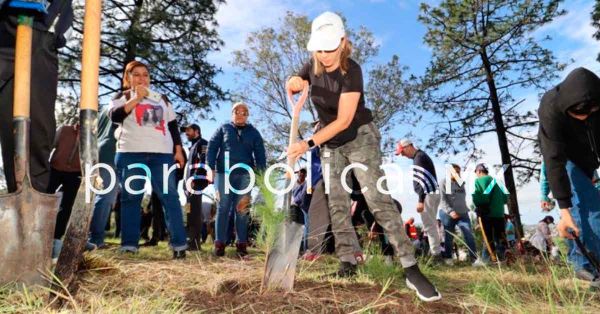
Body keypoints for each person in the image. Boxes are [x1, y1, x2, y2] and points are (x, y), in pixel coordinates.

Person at [286, 11, 440, 301]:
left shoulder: (352, 71)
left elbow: (344, 121)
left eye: (331, 48)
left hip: (359, 137)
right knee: (337, 203)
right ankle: (348, 261)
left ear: (343, 42)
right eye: (319, 49)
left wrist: (306, 144)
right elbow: (296, 77)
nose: (325, 55)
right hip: (330, 145)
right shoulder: (313, 62)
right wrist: (293, 81)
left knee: (377, 200)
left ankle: (410, 267)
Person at [109, 60, 188, 259]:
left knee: (169, 196)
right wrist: (136, 99)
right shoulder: (121, 97)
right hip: (130, 152)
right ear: (128, 78)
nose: (141, 78)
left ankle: (179, 244)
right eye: (136, 74)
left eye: (145, 74)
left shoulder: (162, 99)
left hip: (161, 154)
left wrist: (178, 150)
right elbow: (115, 117)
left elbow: (172, 126)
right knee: (131, 197)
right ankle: (129, 245)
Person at [0, 0, 73, 193]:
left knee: (35, 131)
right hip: (3, 30)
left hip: (42, 34)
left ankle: (29, 199)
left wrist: (59, 31)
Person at [538, 67, 600, 285]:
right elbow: (553, 162)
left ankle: (580, 264)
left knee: (583, 209)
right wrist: (563, 211)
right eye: (579, 115)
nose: (585, 119)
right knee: (592, 209)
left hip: (590, 159)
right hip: (566, 159)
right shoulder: (550, 107)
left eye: (591, 114)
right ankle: (589, 267)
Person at [207, 102, 266, 258]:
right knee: (223, 207)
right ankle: (219, 244)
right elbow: (212, 147)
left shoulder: (254, 133)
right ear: (232, 114)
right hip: (223, 173)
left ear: (248, 115)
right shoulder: (223, 128)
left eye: (244, 112)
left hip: (245, 175)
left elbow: (260, 155)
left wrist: (260, 174)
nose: (240, 114)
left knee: (242, 210)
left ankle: (241, 245)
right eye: (236, 111)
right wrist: (210, 168)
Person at [396, 139, 443, 260]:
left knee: (429, 225)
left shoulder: (419, 158)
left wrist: (421, 199)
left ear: (409, 146)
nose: (402, 155)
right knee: (431, 224)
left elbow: (423, 180)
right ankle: (435, 253)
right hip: (432, 193)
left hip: (427, 194)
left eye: (402, 151)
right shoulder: (421, 156)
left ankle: (436, 256)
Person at [89, 106, 120, 247]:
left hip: (98, 151)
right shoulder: (121, 107)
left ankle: (92, 236)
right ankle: (95, 239)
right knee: (105, 197)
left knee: (97, 195)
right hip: (110, 153)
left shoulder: (104, 110)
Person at [438, 164, 478, 266]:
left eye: (459, 172)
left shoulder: (461, 183)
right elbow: (442, 200)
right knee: (449, 236)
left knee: (468, 233)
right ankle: (448, 258)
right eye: (455, 172)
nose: (458, 174)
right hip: (447, 214)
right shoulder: (444, 182)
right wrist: (451, 211)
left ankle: (474, 259)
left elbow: (462, 197)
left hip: (463, 213)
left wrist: (464, 208)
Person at [472, 163, 508, 264]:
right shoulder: (498, 181)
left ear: (478, 171)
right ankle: (503, 258)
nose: (476, 174)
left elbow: (483, 199)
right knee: (500, 238)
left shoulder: (480, 180)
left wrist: (475, 197)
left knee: (488, 238)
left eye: (476, 172)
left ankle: (486, 260)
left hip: (488, 213)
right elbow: (505, 199)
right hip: (499, 213)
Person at [182, 123, 209, 250]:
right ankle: (190, 241)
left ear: (196, 131)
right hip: (187, 186)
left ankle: (195, 244)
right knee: (189, 212)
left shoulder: (203, 143)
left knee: (195, 213)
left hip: (195, 183)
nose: (186, 133)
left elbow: (204, 160)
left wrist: (195, 177)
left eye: (188, 130)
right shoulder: (192, 146)